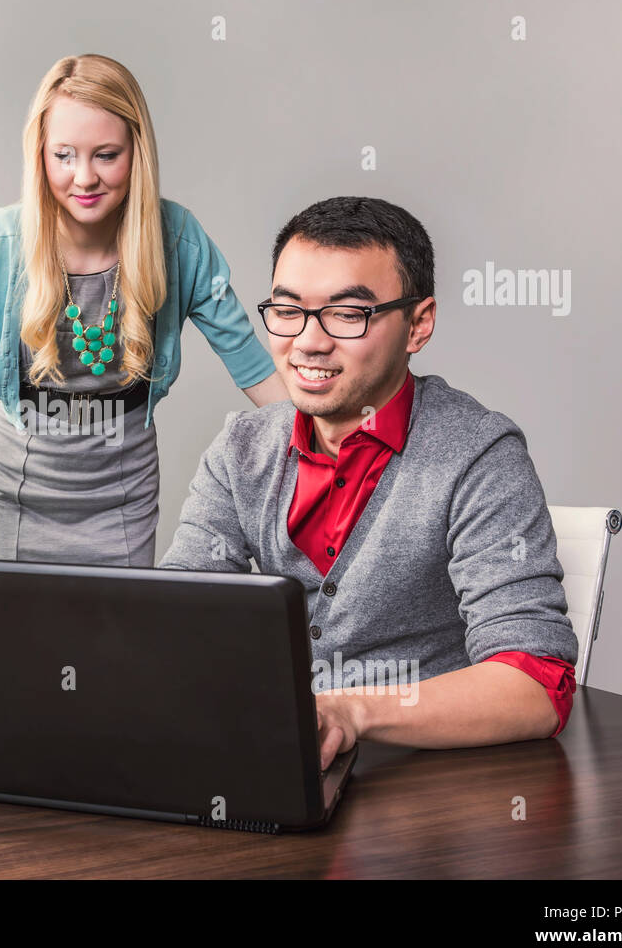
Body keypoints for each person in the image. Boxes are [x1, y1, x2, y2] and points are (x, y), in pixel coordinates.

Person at [158, 196, 578, 769]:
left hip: (432, 792)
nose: (308, 341)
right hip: (283, 769)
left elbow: (537, 686)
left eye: (348, 315)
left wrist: (349, 712)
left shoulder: (478, 455)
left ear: (418, 324)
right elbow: (176, 622)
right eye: (287, 310)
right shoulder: (241, 449)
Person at [0, 53, 287, 566]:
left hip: (122, 500)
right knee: (6, 645)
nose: (84, 177)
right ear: (41, 155)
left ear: (136, 153)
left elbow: (251, 363)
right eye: (64, 155)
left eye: (106, 154)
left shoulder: (178, 239)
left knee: (112, 646)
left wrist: (340, 436)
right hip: (16, 494)